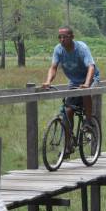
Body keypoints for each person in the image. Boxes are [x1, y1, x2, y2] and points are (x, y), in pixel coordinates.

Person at [42, 26, 100, 154]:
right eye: (60, 37)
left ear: (72, 37)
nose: (62, 40)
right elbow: (53, 67)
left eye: (65, 37)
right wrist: (48, 81)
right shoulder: (58, 50)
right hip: (74, 82)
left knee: (85, 92)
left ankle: (88, 122)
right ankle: (68, 145)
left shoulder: (81, 48)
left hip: (90, 78)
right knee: (68, 111)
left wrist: (86, 83)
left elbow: (91, 67)